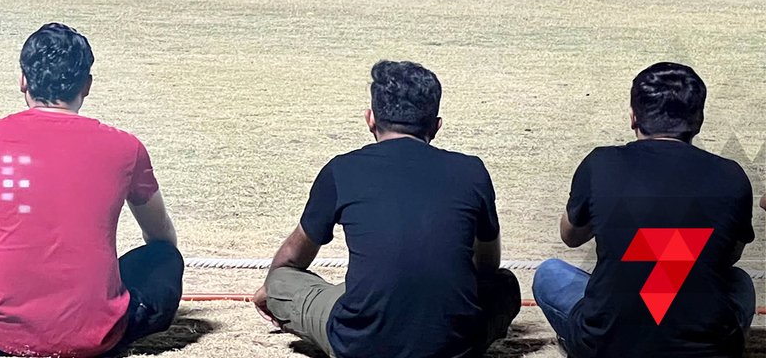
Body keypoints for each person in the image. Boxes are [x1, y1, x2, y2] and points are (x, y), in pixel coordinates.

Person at [0, 22, 183, 357]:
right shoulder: (125, 148)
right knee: (165, 258)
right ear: (87, 86)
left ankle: (1, 311)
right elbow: (161, 237)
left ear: (23, 81)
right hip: (95, 337)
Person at [254, 59, 520, 358]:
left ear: (370, 118)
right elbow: (487, 265)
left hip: (359, 344)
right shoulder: (472, 171)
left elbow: (291, 258)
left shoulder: (342, 170)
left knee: (281, 280)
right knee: (505, 283)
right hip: (456, 346)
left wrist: (273, 289)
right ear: (436, 125)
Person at [532, 62, 755, 358]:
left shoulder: (600, 164)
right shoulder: (732, 175)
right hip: (706, 348)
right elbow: (730, 256)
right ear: (699, 120)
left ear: (633, 118)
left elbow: (570, 236)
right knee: (740, 281)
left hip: (606, 343)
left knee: (549, 273)